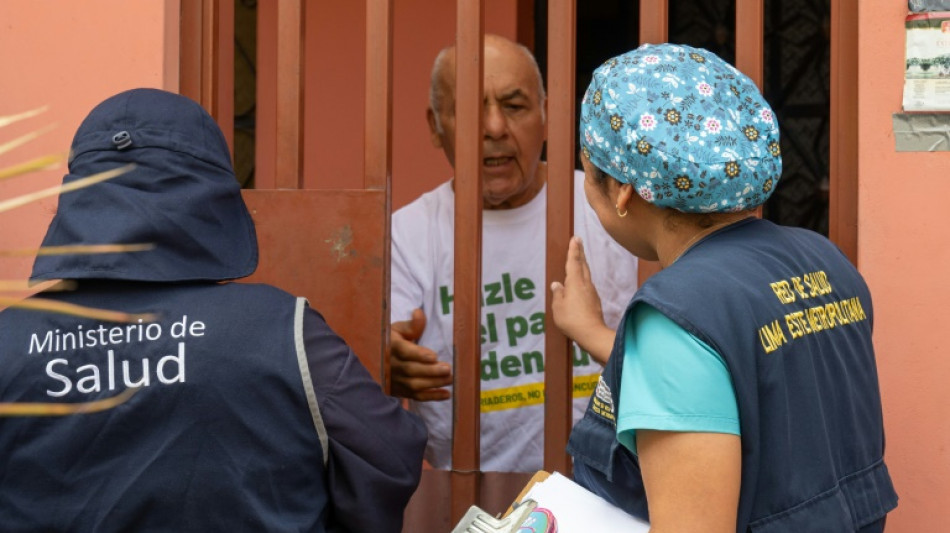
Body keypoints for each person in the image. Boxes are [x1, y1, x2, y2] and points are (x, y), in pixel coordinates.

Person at [0, 88, 426, 532]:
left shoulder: (8, 341)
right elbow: (389, 456)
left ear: (79, 200)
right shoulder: (283, 331)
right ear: (213, 197)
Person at [550, 44, 898, 531]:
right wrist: (591, 332)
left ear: (623, 189)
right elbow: (743, 383)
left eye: (590, 172)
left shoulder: (677, 316)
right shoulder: (824, 261)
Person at [389, 34, 639, 472]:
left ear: (545, 113)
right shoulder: (407, 233)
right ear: (435, 125)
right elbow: (379, 345)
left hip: (607, 484)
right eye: (470, 109)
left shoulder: (611, 209)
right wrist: (384, 359)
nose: (494, 127)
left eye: (515, 106)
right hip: (468, 494)